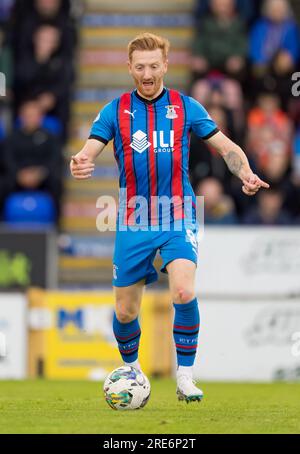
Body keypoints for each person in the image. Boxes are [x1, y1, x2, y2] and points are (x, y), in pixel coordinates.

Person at [70, 33, 269, 403]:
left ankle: (185, 376)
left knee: (183, 289)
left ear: (165, 65)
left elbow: (225, 147)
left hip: (179, 213)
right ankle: (133, 371)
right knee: (126, 310)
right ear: (130, 68)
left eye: (154, 65)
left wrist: (244, 172)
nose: (148, 73)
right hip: (133, 219)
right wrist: (81, 161)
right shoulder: (115, 110)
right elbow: (89, 149)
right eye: (140, 66)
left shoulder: (186, 106)